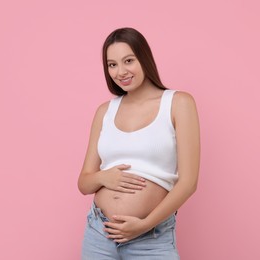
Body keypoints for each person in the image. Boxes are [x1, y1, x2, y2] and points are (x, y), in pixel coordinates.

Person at [78, 27, 200, 259]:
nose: (120, 71)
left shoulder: (178, 103)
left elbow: (188, 183)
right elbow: (84, 183)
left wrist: (144, 224)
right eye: (112, 65)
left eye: (128, 61)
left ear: (144, 58)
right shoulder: (104, 111)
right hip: (99, 232)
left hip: (151, 237)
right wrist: (104, 177)